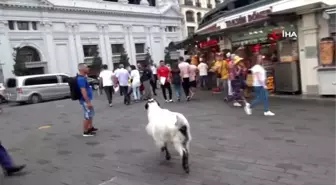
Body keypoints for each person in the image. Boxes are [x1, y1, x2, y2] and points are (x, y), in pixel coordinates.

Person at [77, 63, 98, 137]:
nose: (88, 68)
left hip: (88, 100)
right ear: (82, 69)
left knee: (90, 114)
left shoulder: (83, 77)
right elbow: (83, 91)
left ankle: (90, 127)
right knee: (87, 115)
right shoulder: (80, 79)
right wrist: (88, 102)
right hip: (85, 100)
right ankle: (86, 132)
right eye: (86, 67)